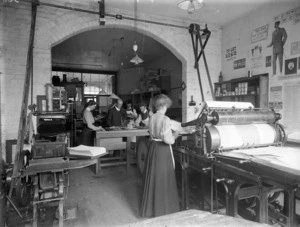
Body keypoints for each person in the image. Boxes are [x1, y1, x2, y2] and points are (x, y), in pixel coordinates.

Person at [140, 94, 180, 217]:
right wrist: (176, 135)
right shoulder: (165, 119)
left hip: (153, 148)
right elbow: (168, 140)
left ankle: (152, 209)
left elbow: (152, 134)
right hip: (162, 150)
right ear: (163, 106)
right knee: (163, 178)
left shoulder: (152, 117)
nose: (167, 108)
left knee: (154, 177)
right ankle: (164, 209)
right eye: (166, 105)